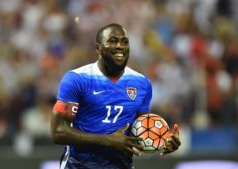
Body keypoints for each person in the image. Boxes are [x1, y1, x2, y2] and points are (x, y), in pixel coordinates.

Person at [50, 23, 181, 169]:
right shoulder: (77, 79)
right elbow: (58, 131)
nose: (120, 46)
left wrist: (162, 141)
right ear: (98, 48)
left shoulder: (142, 84)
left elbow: (139, 135)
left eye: (125, 42)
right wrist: (107, 140)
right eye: (112, 41)